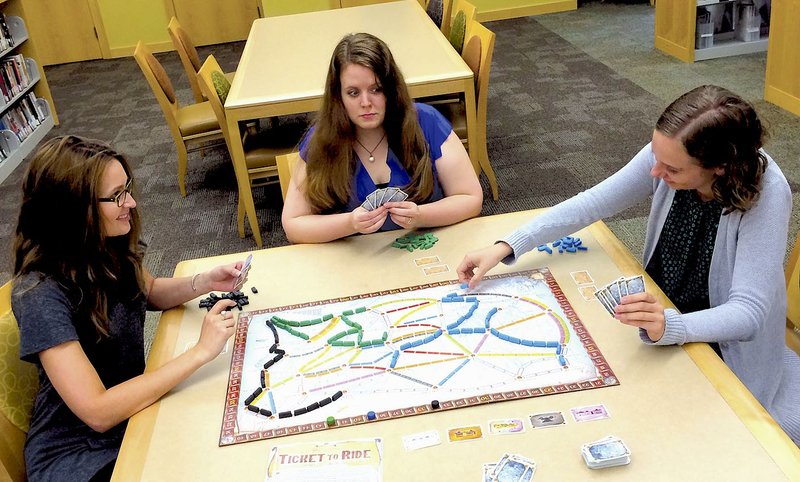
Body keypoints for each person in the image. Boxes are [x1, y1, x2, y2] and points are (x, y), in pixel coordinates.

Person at [457, 85, 800, 444]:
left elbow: (748, 313)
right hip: (659, 315)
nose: (655, 172)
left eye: (671, 169)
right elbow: (593, 203)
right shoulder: (669, 153)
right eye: (655, 156)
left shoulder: (767, 192)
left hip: (720, 346)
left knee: (657, 434)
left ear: (719, 167)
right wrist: (508, 244)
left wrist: (670, 326)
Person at [11, 136, 248, 481]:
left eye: (128, 189)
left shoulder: (104, 245)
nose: (131, 203)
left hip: (132, 414)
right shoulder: (38, 294)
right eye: (117, 196)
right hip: (79, 454)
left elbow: (147, 290)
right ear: (74, 208)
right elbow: (98, 411)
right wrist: (200, 352)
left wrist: (204, 281)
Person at [281, 32, 482, 243]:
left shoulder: (427, 122)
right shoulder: (321, 139)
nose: (366, 102)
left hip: (427, 249)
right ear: (338, 96)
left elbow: (471, 198)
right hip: (355, 262)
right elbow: (293, 224)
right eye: (353, 93)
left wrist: (421, 216)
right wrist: (349, 223)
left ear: (391, 88)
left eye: (376, 89)